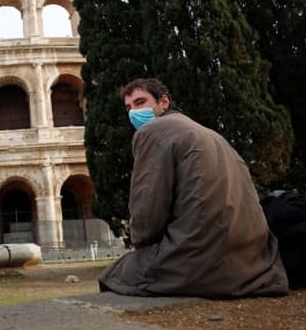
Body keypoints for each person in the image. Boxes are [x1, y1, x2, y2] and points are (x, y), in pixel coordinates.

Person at [98, 78, 289, 298]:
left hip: (199, 262)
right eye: (129, 108)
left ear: (164, 102)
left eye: (141, 102)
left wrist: (142, 244)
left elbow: (147, 211)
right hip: (253, 265)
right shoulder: (215, 137)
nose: (134, 112)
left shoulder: (151, 131)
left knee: (114, 274)